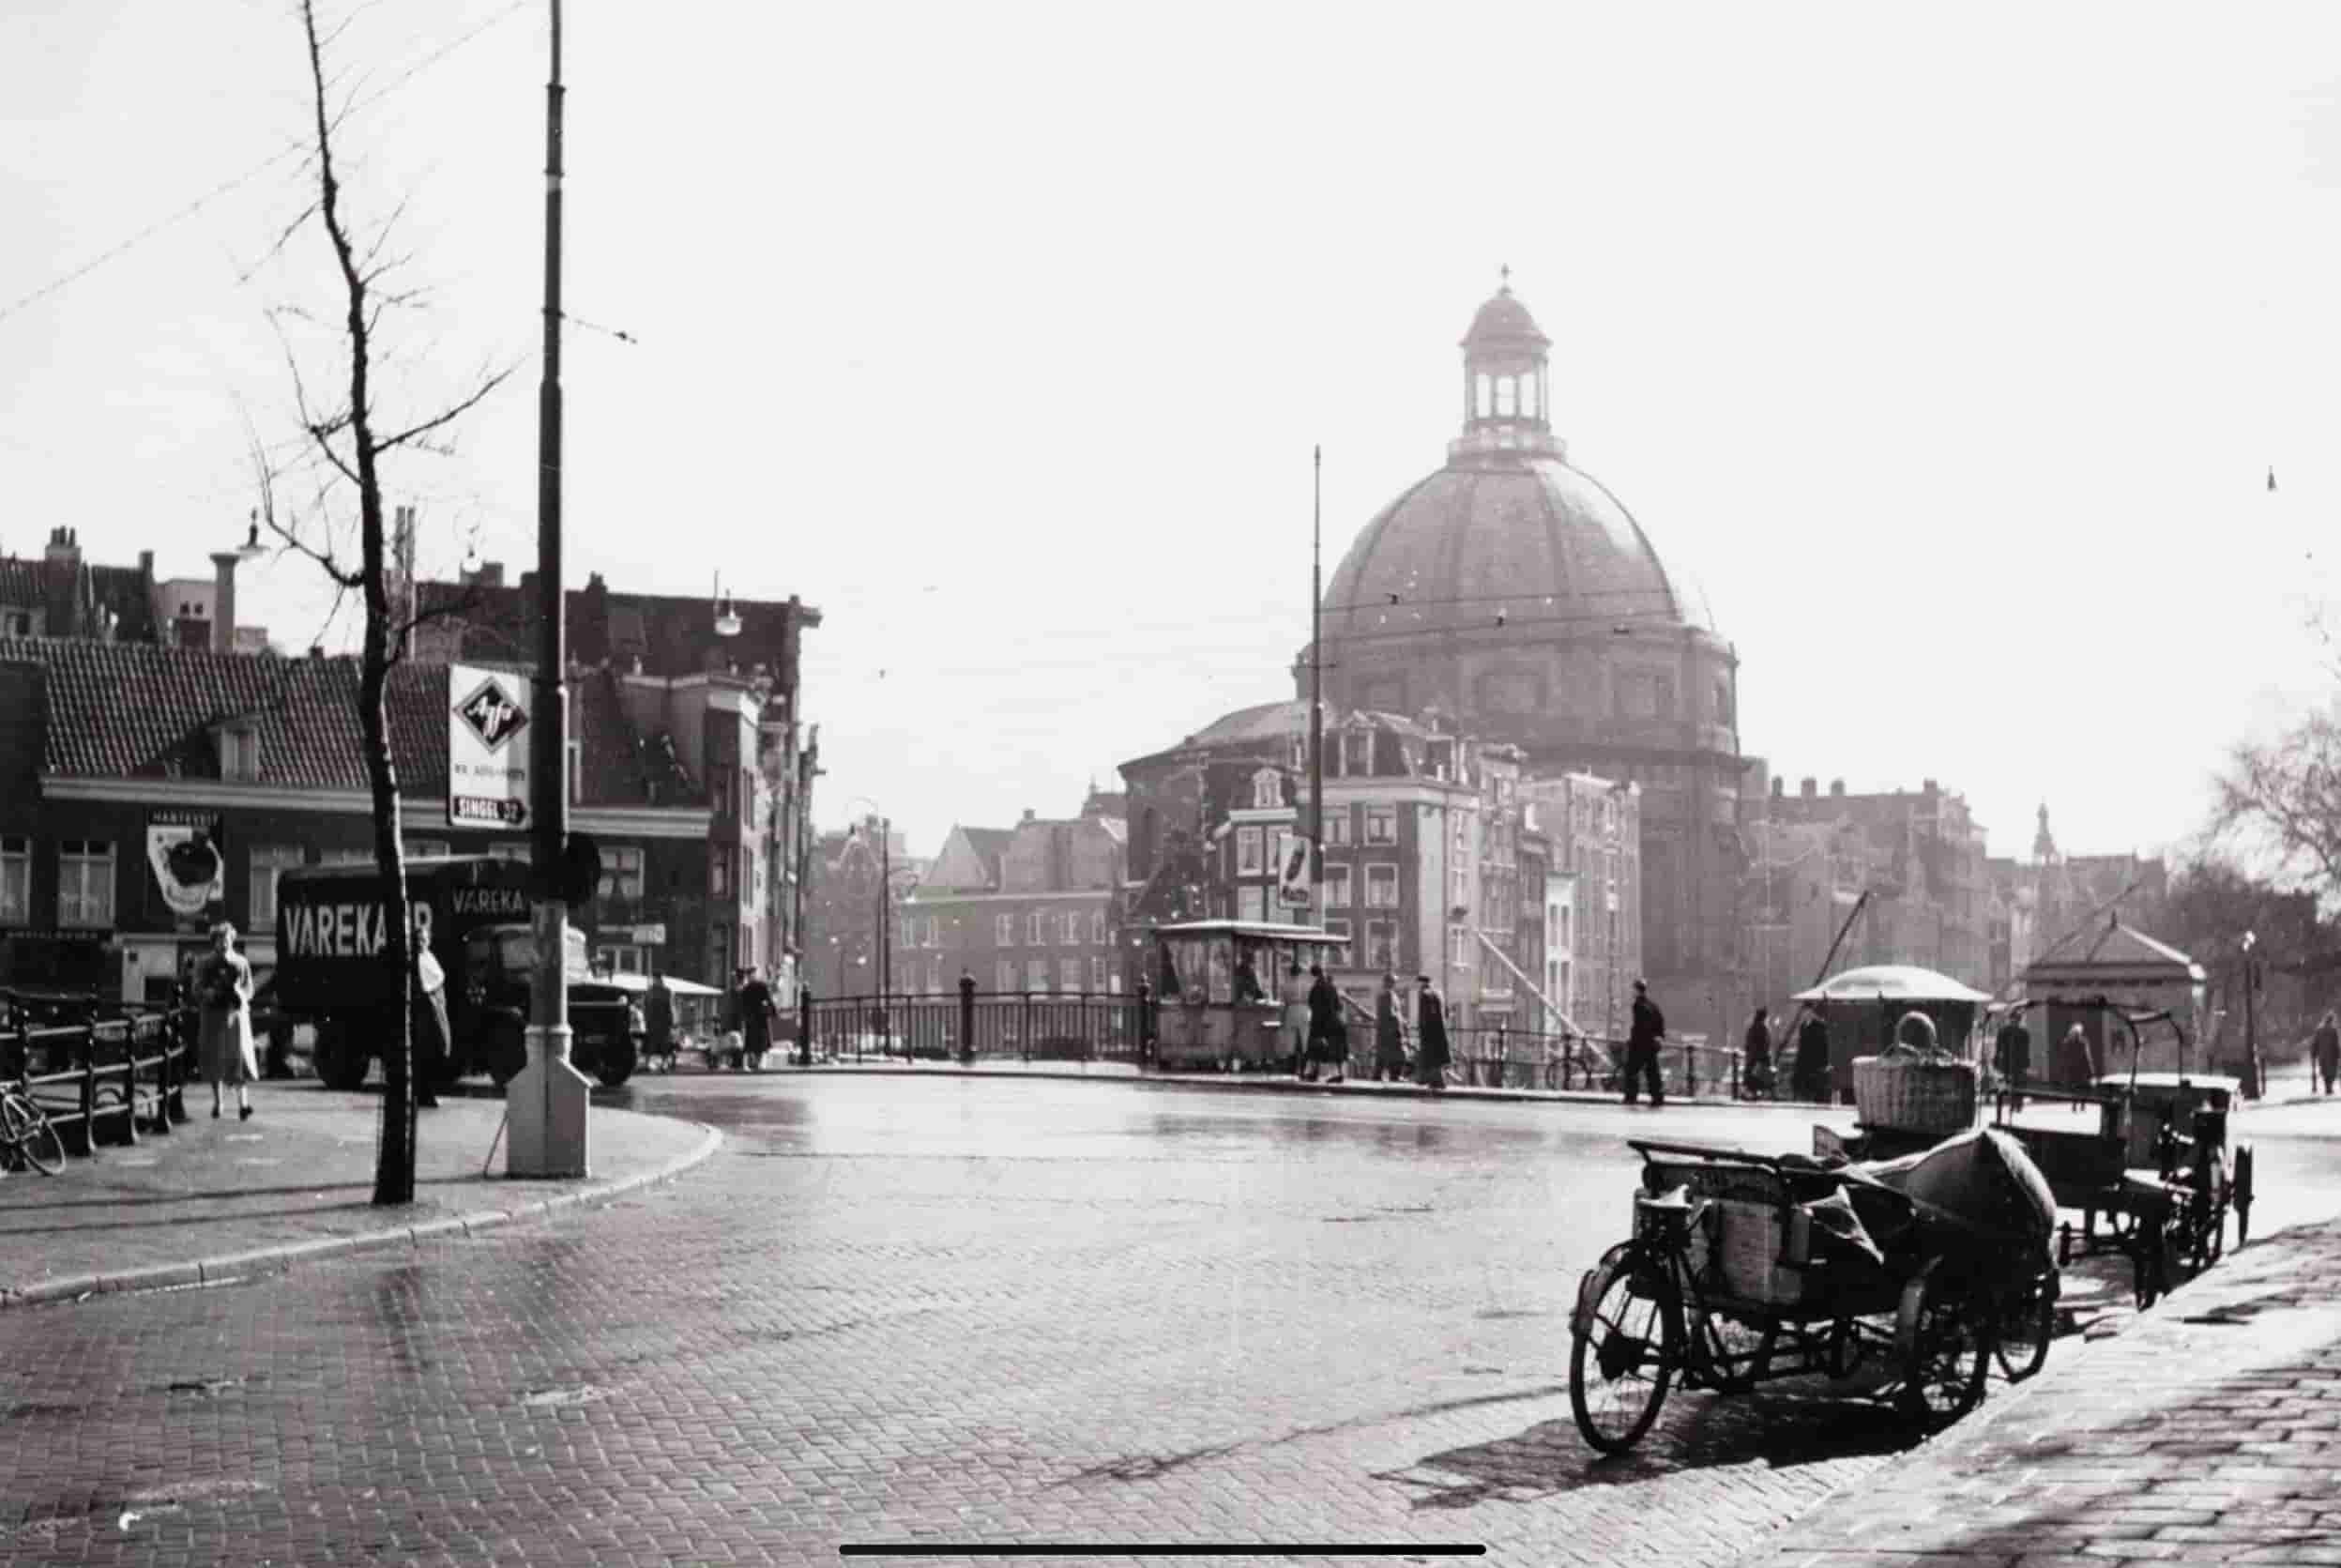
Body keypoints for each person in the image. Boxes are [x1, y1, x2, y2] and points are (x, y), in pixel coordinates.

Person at [192, 921, 259, 1120]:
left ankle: (243, 1104)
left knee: (238, 1058)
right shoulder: (204, 963)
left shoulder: (241, 962)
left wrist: (241, 994)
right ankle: (218, 1102)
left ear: (232, 940)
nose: (224, 944)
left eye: (228, 939)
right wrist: (208, 993)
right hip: (213, 1017)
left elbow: (250, 989)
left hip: (236, 1017)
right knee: (215, 1060)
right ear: (214, 942)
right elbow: (196, 989)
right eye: (220, 940)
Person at [410, 942, 449, 1108]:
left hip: (433, 1012)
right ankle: (425, 1095)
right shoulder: (419, 959)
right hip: (426, 1015)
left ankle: (426, 1094)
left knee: (430, 1056)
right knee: (425, 1056)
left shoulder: (426, 957)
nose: (424, 942)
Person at [1623, 978, 1665, 1108]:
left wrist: (1633, 1040)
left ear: (1636, 990)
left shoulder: (1638, 1005)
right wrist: (1659, 1037)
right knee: (1652, 1072)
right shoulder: (1653, 1005)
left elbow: (1639, 1026)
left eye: (1633, 989)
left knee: (1631, 1070)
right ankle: (1657, 1097)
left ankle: (1631, 1096)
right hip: (1652, 1044)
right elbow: (1660, 1021)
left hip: (1640, 1044)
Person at [1305, 966, 1346, 1085]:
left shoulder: (1315, 988)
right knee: (1335, 1048)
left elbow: (1312, 1005)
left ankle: (1314, 1072)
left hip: (1320, 1021)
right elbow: (1339, 1006)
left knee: (1315, 1045)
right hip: (1334, 1020)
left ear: (1313, 976)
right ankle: (1339, 1073)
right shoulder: (1332, 987)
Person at [1414, 975, 1451, 1090]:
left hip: (1429, 1031)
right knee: (1436, 1057)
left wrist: (1422, 1029)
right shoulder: (1439, 994)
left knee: (1430, 1057)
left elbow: (1424, 1015)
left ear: (1421, 984)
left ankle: (1436, 1082)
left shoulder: (1424, 995)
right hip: (1439, 1030)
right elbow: (1446, 1012)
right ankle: (1436, 1082)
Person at [1373, 972, 1409, 1083]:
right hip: (1392, 1030)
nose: (1395, 983)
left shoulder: (1383, 994)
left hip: (1384, 1030)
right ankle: (1395, 1075)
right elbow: (1390, 1013)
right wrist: (1400, 1020)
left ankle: (1378, 1075)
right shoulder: (1389, 995)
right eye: (1394, 982)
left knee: (1383, 1053)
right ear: (1390, 983)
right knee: (1398, 1054)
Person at [1995, 1007, 2033, 1111]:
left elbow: (1998, 1048)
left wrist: (1997, 1060)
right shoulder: (2023, 1032)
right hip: (2017, 1062)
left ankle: (2014, 1103)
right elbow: (2026, 1050)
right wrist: (2027, 1063)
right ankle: (2017, 1103)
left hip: (2009, 1061)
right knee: (2017, 1083)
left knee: (2012, 1083)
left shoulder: (2004, 1031)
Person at [737, 967, 775, 1071]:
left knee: (751, 1041)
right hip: (761, 1016)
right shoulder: (762, 986)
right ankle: (760, 1063)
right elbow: (769, 999)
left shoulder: (746, 988)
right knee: (762, 1040)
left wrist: (744, 1016)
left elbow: (742, 1005)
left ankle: (750, 1063)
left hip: (751, 1017)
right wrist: (773, 1012)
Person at [1278, 962, 1310, 1076]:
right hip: (1304, 1009)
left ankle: (1291, 1067)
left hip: (1291, 1009)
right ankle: (1304, 1068)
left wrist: (1282, 1018)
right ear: (1300, 973)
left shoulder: (1286, 985)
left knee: (1290, 1039)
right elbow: (1309, 999)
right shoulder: (1306, 985)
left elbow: (1283, 1003)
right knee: (1305, 1039)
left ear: (1290, 973)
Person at [1794, 1011, 1832, 1104]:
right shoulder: (1819, 1028)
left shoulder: (1806, 1028)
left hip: (1808, 1066)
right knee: (1817, 1091)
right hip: (1815, 1065)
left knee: (1810, 1091)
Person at [643, 971, 676, 1072]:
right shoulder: (651, 992)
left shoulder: (656, 992)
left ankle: (662, 1063)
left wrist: (671, 1020)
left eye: (657, 979)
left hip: (661, 1022)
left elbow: (670, 1007)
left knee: (662, 1044)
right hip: (655, 1022)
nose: (657, 981)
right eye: (656, 979)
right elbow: (646, 1008)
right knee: (653, 1044)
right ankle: (650, 1063)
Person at [1741, 1006, 1774, 1100]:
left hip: (1752, 1059)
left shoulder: (1751, 1028)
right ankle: (1758, 1096)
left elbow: (1748, 1044)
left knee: (1752, 1082)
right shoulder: (1763, 1028)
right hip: (1760, 1060)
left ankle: (1752, 1095)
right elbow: (1766, 1045)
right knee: (1761, 1082)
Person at [2313, 1011, 2340, 1096]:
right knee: (2332, 1073)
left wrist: (2313, 1054)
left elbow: (2315, 1043)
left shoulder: (2319, 1030)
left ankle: (2327, 1088)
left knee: (2325, 1072)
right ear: (2332, 1020)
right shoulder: (2333, 1030)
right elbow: (2336, 1044)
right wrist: (2339, 1055)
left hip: (2322, 1056)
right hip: (2332, 1056)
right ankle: (2329, 1088)